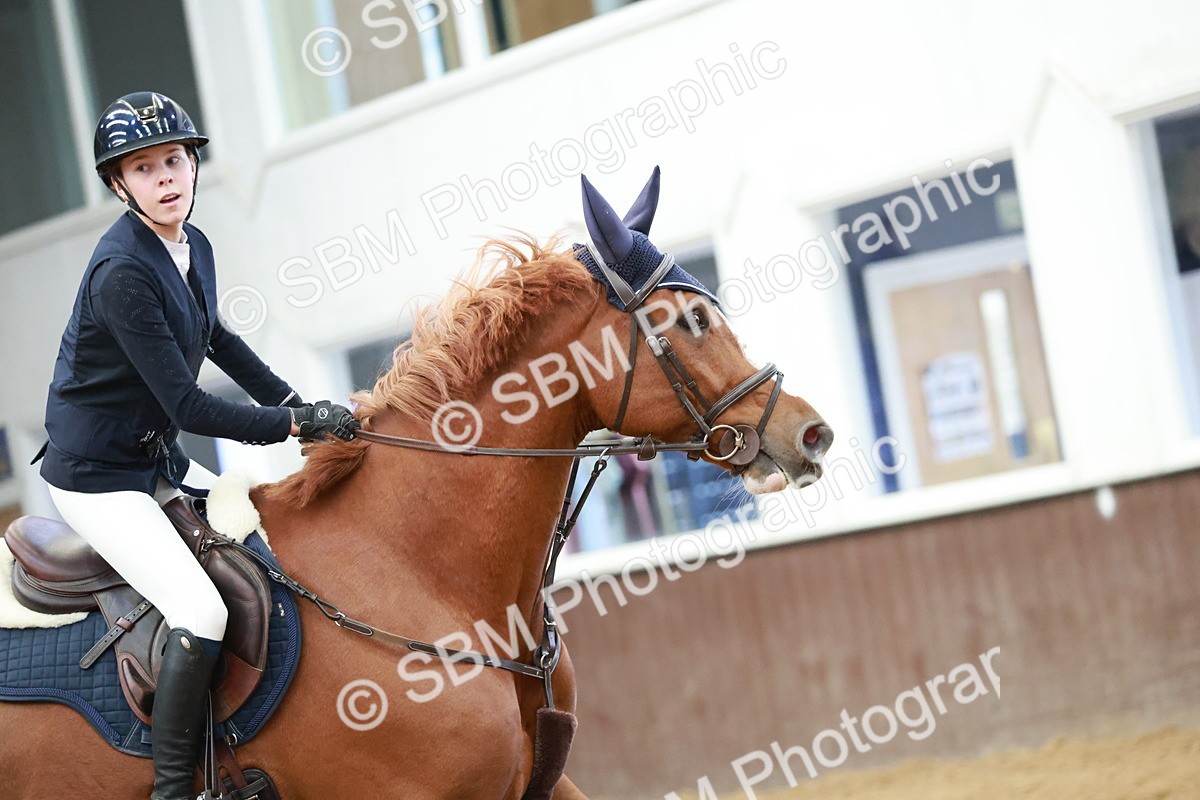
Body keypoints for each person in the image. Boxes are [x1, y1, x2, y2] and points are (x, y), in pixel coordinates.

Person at [29, 91, 358, 800]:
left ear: (192, 163)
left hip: (152, 460)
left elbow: (220, 340)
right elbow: (189, 404)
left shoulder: (190, 245)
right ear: (120, 185)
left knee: (262, 551)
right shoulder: (122, 273)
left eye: (175, 159)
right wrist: (297, 427)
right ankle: (173, 786)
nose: (167, 177)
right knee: (201, 611)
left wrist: (298, 403)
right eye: (144, 169)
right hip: (98, 478)